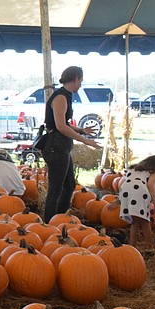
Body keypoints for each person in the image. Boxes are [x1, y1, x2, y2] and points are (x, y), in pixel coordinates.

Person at [41, 66, 101, 223]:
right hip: (56, 147)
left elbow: (61, 124)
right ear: (75, 78)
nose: (80, 84)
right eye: (80, 80)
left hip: (61, 147)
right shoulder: (60, 97)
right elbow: (60, 127)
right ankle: (49, 222)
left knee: (69, 185)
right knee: (56, 188)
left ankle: (60, 218)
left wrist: (81, 130)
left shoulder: (65, 96)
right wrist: (85, 140)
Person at [118, 154, 155, 248]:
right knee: (145, 221)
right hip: (139, 191)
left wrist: (117, 200)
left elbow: (127, 182)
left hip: (125, 191)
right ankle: (150, 246)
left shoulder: (134, 169)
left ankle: (132, 245)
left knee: (135, 221)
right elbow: (150, 185)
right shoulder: (153, 172)